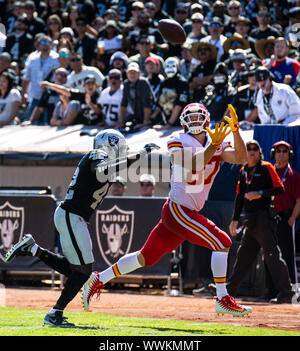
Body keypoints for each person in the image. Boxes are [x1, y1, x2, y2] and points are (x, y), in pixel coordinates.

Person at [82, 104, 253, 317]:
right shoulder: (178, 140)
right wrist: (214, 146)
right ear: (183, 122)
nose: (194, 121)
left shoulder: (214, 140)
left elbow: (241, 158)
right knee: (222, 242)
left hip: (182, 212)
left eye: (198, 117)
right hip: (179, 210)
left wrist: (236, 131)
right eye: (189, 118)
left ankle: (98, 278)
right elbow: (193, 164)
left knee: (145, 258)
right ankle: (222, 298)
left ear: (207, 119)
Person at [4, 129, 160, 326]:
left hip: (74, 216)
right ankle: (54, 314)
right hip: (71, 215)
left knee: (77, 270)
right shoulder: (97, 155)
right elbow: (103, 169)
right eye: (119, 147)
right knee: (83, 271)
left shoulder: (103, 159)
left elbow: (107, 170)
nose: (121, 151)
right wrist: (139, 154)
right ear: (110, 145)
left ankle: (33, 249)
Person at [227, 140, 294, 303]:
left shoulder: (266, 167)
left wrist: (260, 193)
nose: (251, 151)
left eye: (254, 149)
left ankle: (286, 292)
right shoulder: (243, 170)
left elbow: (280, 189)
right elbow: (239, 197)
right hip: (250, 220)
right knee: (243, 255)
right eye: (249, 149)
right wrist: (234, 219)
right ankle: (229, 292)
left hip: (264, 218)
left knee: (272, 255)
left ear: (260, 152)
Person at [264, 141, 300, 300]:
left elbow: (299, 201)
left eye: (285, 151)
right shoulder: (267, 172)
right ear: (273, 154)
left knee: (286, 256)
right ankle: (270, 291)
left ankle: (291, 291)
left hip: (285, 218)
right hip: (268, 219)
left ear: (289, 155)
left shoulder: (293, 175)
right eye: (278, 151)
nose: (281, 154)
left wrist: (291, 220)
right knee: (269, 255)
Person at [152, 57, 189, 128]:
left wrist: (169, 124)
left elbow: (179, 105)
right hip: (166, 121)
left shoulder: (182, 83)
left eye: (173, 66)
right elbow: (159, 104)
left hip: (180, 124)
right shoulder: (164, 83)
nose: (170, 69)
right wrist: (150, 121)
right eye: (167, 66)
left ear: (178, 68)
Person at [120, 62, 154, 130]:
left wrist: (145, 122)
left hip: (152, 117)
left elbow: (148, 103)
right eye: (130, 72)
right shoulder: (126, 84)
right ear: (127, 74)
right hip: (138, 117)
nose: (132, 75)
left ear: (139, 73)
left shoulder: (143, 82)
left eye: (134, 72)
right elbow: (124, 104)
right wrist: (122, 122)